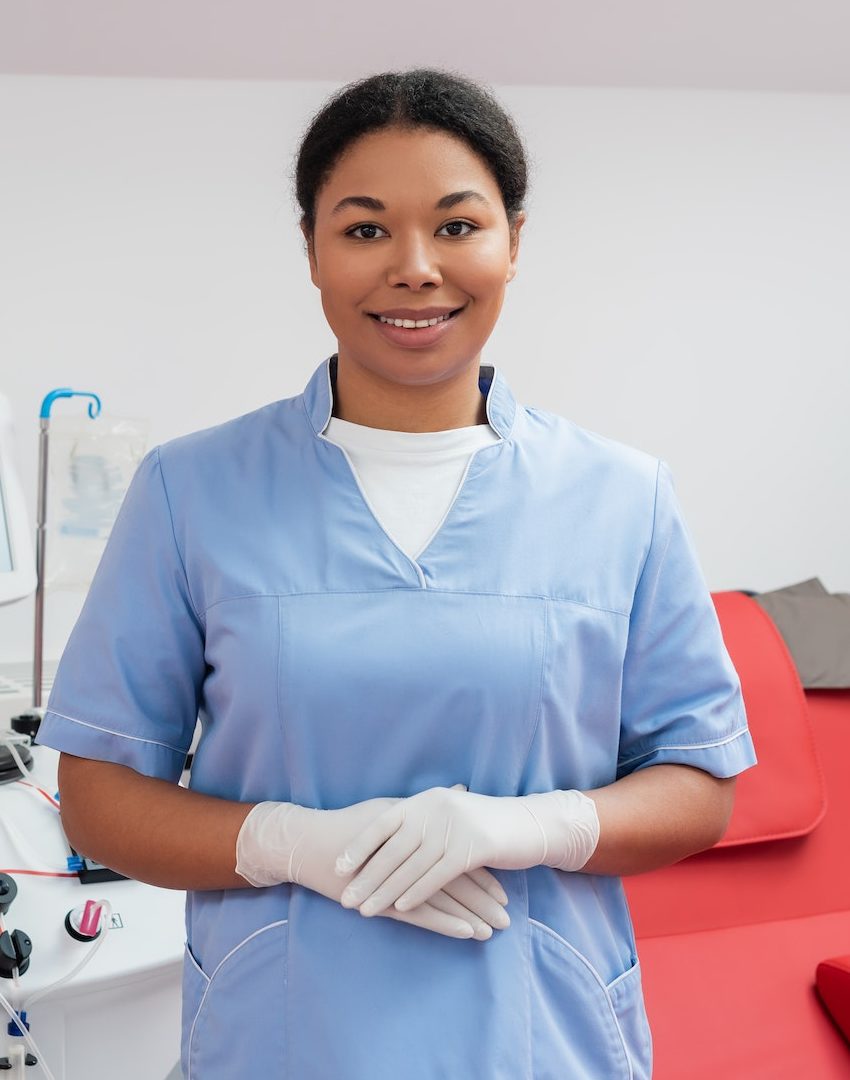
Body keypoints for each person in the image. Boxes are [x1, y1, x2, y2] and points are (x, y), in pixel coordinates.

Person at [37, 68, 758, 1079]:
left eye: (457, 226)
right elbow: (99, 796)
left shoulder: (621, 496)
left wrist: (530, 824)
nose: (415, 268)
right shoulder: (189, 492)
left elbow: (699, 783)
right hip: (284, 1038)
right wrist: (292, 844)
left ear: (513, 242)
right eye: (366, 229)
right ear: (313, 252)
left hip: (541, 1037)